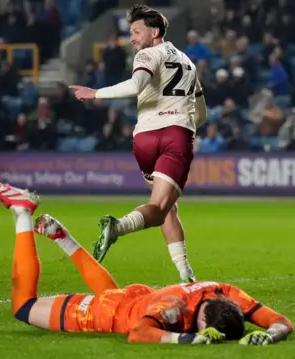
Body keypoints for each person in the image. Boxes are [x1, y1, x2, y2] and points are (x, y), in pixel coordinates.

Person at [0, 180, 294, 345]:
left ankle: (64, 238)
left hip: (134, 297)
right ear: (201, 319)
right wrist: (187, 338)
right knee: (23, 306)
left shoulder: (226, 291)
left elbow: (283, 322)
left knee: (113, 296)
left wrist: (268, 334)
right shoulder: (173, 309)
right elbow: (140, 334)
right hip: (108, 314)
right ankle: (23, 214)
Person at [68, 5, 208, 284]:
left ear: (154, 32)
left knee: (168, 209)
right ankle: (117, 227)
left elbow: (137, 87)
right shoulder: (188, 64)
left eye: (135, 31)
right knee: (158, 209)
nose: (131, 38)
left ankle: (186, 274)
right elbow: (201, 114)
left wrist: (96, 93)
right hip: (174, 136)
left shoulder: (147, 55)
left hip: (144, 139)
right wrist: (97, 94)